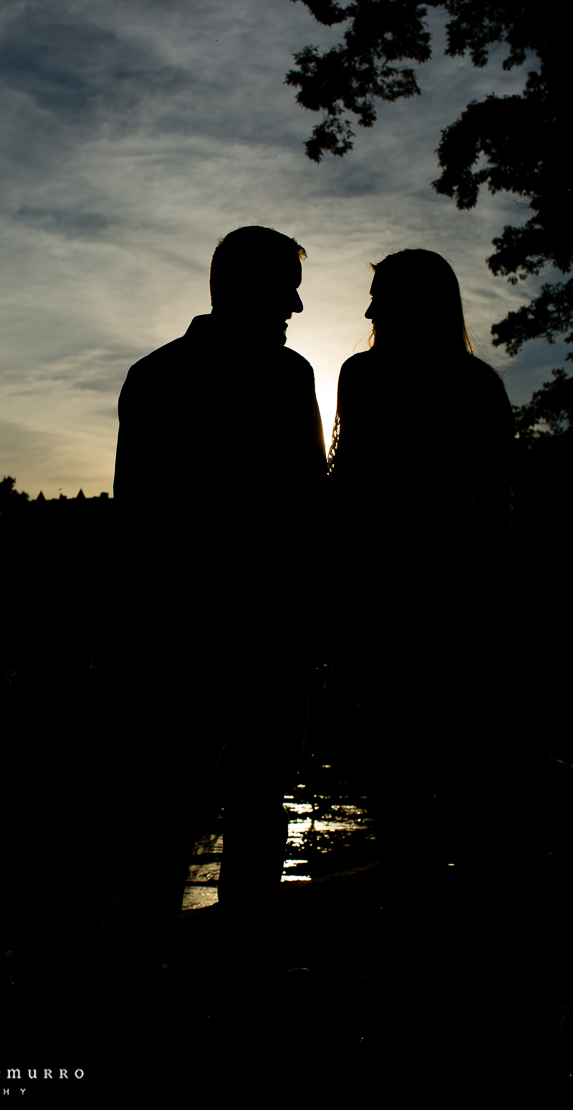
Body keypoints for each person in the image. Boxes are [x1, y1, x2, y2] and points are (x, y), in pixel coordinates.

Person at [111, 225, 326, 981]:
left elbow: (134, 520)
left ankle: (148, 962)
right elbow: (310, 506)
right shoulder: (285, 376)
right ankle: (233, 968)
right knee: (232, 802)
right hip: (246, 630)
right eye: (284, 286)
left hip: (204, 630)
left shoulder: (156, 374)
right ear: (240, 287)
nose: (298, 304)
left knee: (176, 802)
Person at [326, 248, 515, 859]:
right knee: (461, 784)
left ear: (409, 302)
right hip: (457, 603)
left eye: (380, 295)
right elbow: (498, 507)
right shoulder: (478, 383)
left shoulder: (364, 376)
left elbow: (348, 494)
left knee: (405, 786)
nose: (369, 307)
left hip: (400, 606)